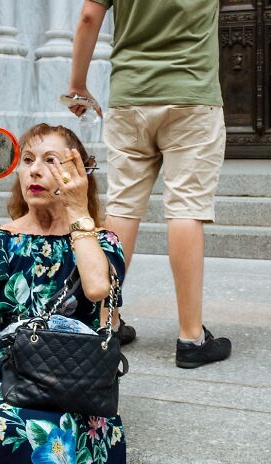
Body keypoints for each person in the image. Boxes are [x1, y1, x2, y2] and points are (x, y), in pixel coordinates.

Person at [0, 123, 127, 463]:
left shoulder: (101, 241)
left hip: (80, 376)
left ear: (77, 174)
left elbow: (98, 288)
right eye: (27, 160)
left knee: (72, 432)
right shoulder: (1, 240)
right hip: (13, 372)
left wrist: (77, 211)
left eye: (51, 161)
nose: (35, 170)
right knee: (6, 429)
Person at [67, 0, 232, 368]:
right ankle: (191, 338)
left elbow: (89, 16)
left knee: (123, 209)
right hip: (192, 94)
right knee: (187, 209)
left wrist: (78, 84)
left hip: (131, 97)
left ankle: (106, 324)